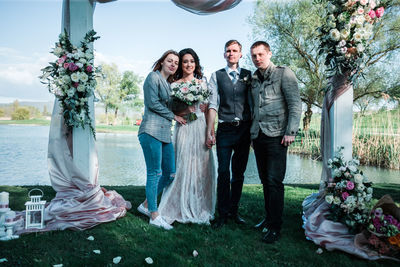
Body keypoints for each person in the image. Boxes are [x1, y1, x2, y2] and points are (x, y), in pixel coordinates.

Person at [250, 41, 301, 243]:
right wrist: (252, 135)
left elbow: (295, 104)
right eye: (254, 56)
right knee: (265, 181)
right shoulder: (253, 79)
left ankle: (275, 227)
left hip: (278, 135)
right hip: (259, 136)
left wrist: (291, 131)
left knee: (274, 181)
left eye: (261, 54)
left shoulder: (284, 73)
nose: (257, 58)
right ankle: (268, 218)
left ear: (269, 53)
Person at [158, 48, 216, 224]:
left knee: (201, 167)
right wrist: (185, 110)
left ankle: (200, 205)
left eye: (192, 61)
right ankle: (177, 203)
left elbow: (207, 111)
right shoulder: (174, 86)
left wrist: (210, 132)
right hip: (183, 127)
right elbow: (171, 110)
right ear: (181, 64)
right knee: (182, 165)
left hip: (200, 128)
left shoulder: (203, 84)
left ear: (196, 63)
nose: (188, 64)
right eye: (185, 61)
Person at [137, 50, 188, 230]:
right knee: (155, 173)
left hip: (165, 133)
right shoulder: (153, 77)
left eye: (176, 62)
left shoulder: (169, 84)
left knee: (170, 173)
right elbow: (152, 103)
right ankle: (154, 215)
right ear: (162, 62)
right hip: (150, 131)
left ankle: (144, 205)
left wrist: (190, 108)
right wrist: (173, 116)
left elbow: (173, 105)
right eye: (170, 61)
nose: (173, 64)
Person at [206, 40, 252, 228]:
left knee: (238, 174)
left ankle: (234, 210)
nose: (231, 53)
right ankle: (222, 213)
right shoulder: (216, 76)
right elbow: (212, 104)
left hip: (244, 130)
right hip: (224, 129)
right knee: (223, 172)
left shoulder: (250, 76)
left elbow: (253, 103)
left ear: (241, 54)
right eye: (228, 51)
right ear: (224, 54)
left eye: (235, 51)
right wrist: (210, 130)